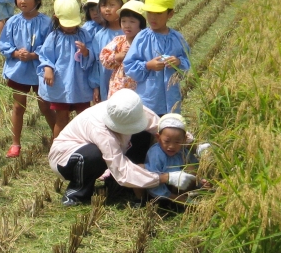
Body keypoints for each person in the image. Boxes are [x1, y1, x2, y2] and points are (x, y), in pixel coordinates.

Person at [48, 88, 196, 207]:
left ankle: (132, 183)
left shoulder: (133, 110)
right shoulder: (100, 129)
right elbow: (122, 170)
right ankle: (77, 191)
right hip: (67, 157)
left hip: (105, 152)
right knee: (94, 155)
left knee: (142, 133)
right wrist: (167, 177)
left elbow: (163, 128)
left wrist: (194, 145)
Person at [0, 0, 55, 157]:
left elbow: (50, 46)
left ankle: (59, 139)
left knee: (45, 106)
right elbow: (4, 43)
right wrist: (15, 54)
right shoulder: (13, 22)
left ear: (37, 0)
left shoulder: (46, 23)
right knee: (18, 107)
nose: (22, 1)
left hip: (39, 71)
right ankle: (15, 143)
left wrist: (34, 55)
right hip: (19, 72)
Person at [123, 0, 190, 116]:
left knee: (167, 130)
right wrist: (148, 65)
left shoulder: (177, 38)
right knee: (147, 130)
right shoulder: (142, 37)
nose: (153, 17)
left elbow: (187, 63)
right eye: (149, 12)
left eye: (158, 13)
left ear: (170, 14)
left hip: (171, 98)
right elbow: (129, 65)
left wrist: (178, 62)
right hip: (148, 98)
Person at [38, 0, 96, 139]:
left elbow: (92, 55)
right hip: (62, 85)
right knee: (62, 118)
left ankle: (83, 146)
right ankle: (58, 148)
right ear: (57, 19)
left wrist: (85, 52)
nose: (71, 28)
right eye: (67, 24)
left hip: (80, 85)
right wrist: (48, 68)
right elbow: (45, 56)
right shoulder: (54, 37)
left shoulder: (84, 35)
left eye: (73, 24)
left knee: (84, 118)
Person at [145, 113, 203, 213]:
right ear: (158, 138)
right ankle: (144, 201)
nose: (171, 146)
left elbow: (196, 167)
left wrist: (201, 181)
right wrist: (174, 197)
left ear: (184, 139)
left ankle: (189, 196)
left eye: (177, 142)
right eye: (167, 141)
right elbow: (152, 181)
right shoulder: (156, 154)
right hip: (161, 193)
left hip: (179, 188)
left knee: (191, 168)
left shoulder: (183, 151)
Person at [99, 0, 147, 98]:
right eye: (123, 21)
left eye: (132, 22)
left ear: (141, 24)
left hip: (139, 91)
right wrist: (117, 56)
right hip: (118, 90)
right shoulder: (119, 41)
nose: (127, 25)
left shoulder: (145, 43)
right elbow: (103, 57)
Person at [91, 0, 126, 102]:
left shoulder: (131, 34)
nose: (107, 9)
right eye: (103, 5)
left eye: (112, 5)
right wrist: (96, 86)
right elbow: (96, 63)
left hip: (127, 86)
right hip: (106, 87)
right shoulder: (99, 36)